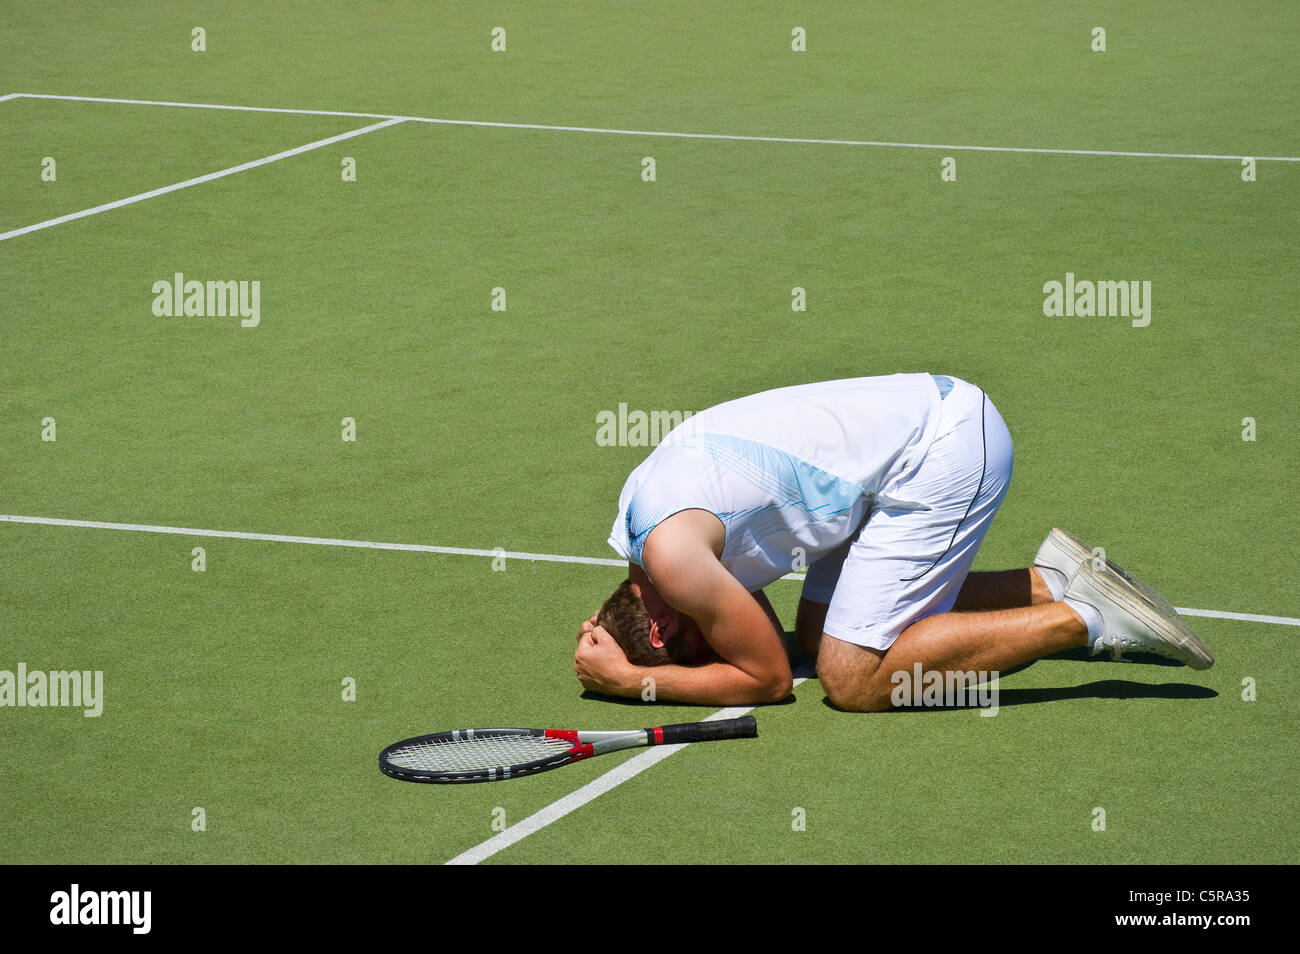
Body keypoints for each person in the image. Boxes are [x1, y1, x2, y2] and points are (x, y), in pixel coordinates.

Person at [572, 372, 1212, 711]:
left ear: (659, 631)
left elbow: (765, 678)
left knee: (852, 678)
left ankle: (1088, 619)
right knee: (822, 639)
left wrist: (633, 682)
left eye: (691, 650)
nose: (712, 648)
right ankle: (1054, 582)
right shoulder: (640, 524)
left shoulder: (674, 562)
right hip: (918, 432)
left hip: (943, 449)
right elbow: (755, 633)